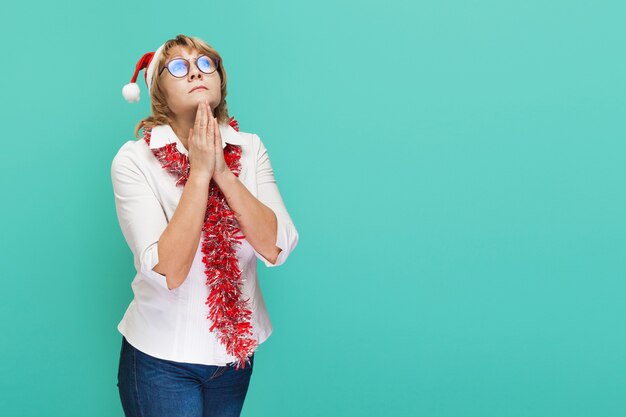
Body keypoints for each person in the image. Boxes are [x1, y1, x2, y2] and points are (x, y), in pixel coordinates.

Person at [111, 34, 299, 417]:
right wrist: (199, 174)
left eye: (205, 62)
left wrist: (223, 174)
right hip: (161, 361)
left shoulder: (250, 148)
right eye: (178, 67)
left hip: (234, 357)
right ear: (158, 89)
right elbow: (168, 271)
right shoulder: (135, 161)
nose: (196, 70)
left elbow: (277, 245)